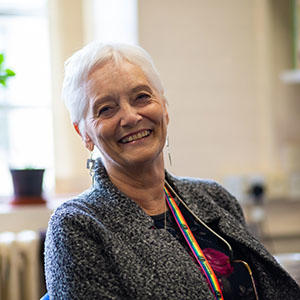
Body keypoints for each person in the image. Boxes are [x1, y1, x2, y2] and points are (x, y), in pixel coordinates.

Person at [44, 41, 300, 300]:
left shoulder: (215, 198)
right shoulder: (77, 226)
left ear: (164, 108)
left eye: (142, 97)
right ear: (84, 133)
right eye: (106, 109)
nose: (131, 117)